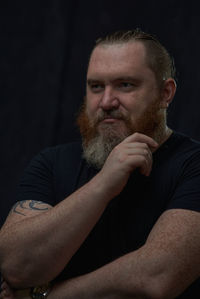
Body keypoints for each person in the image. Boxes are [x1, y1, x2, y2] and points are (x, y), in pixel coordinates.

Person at [0, 28, 200, 299]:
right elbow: (15, 266)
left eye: (125, 85)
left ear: (166, 93)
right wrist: (104, 184)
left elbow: (156, 278)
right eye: (96, 86)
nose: (106, 102)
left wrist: (44, 296)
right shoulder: (51, 163)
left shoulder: (193, 165)